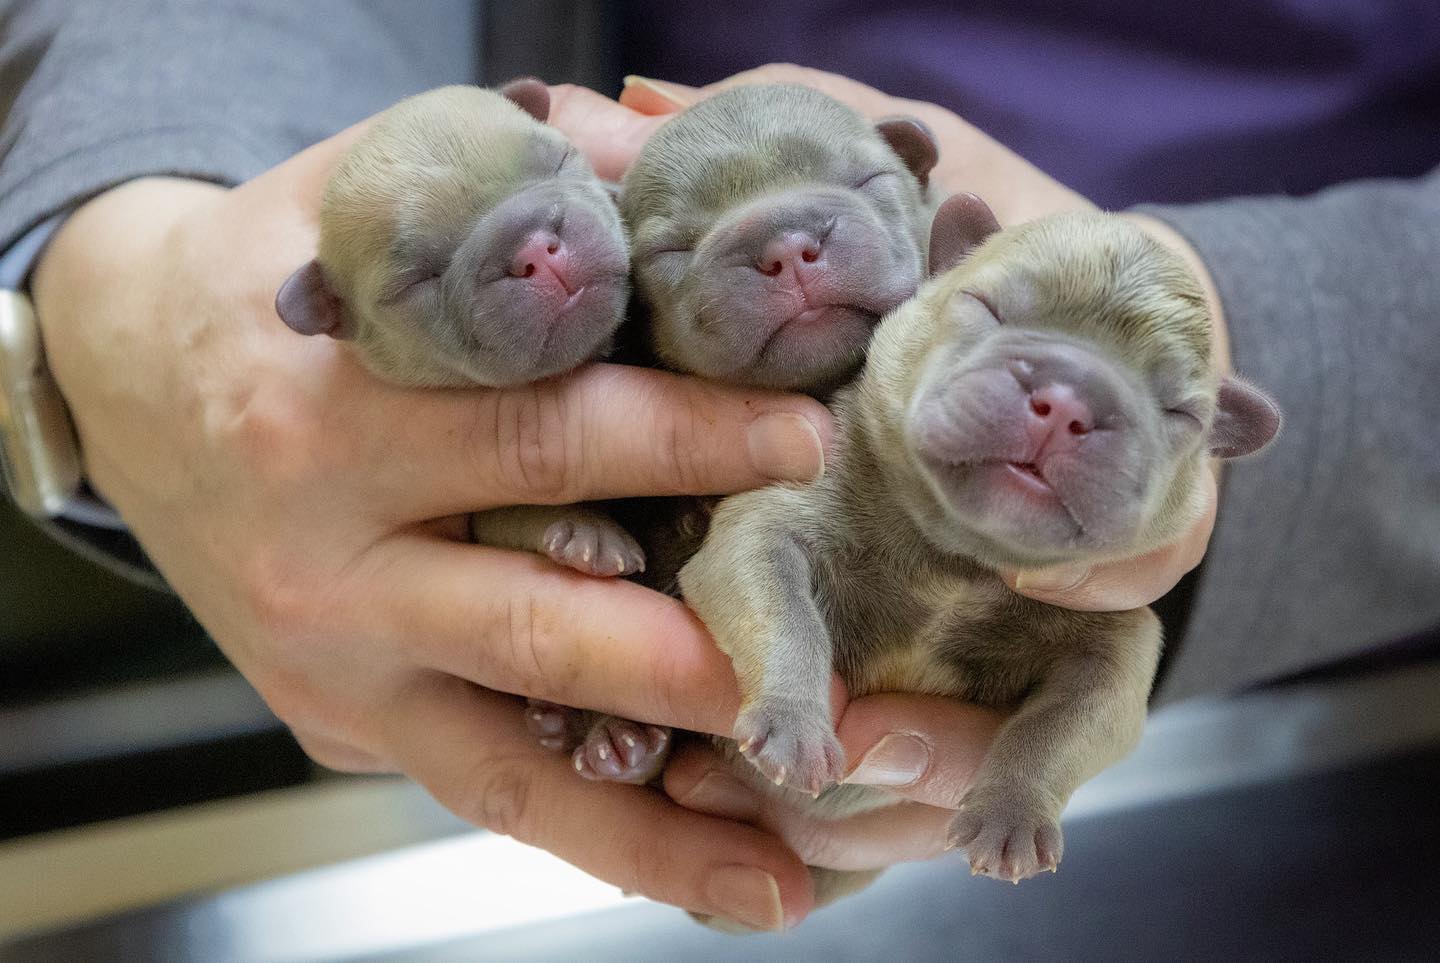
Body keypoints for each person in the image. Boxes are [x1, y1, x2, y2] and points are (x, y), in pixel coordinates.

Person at [2, 1, 1437, 932]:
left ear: (919, 193)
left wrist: (1307, 359)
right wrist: (137, 240)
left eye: (855, 206)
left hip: (1352, 716)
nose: (803, 256)